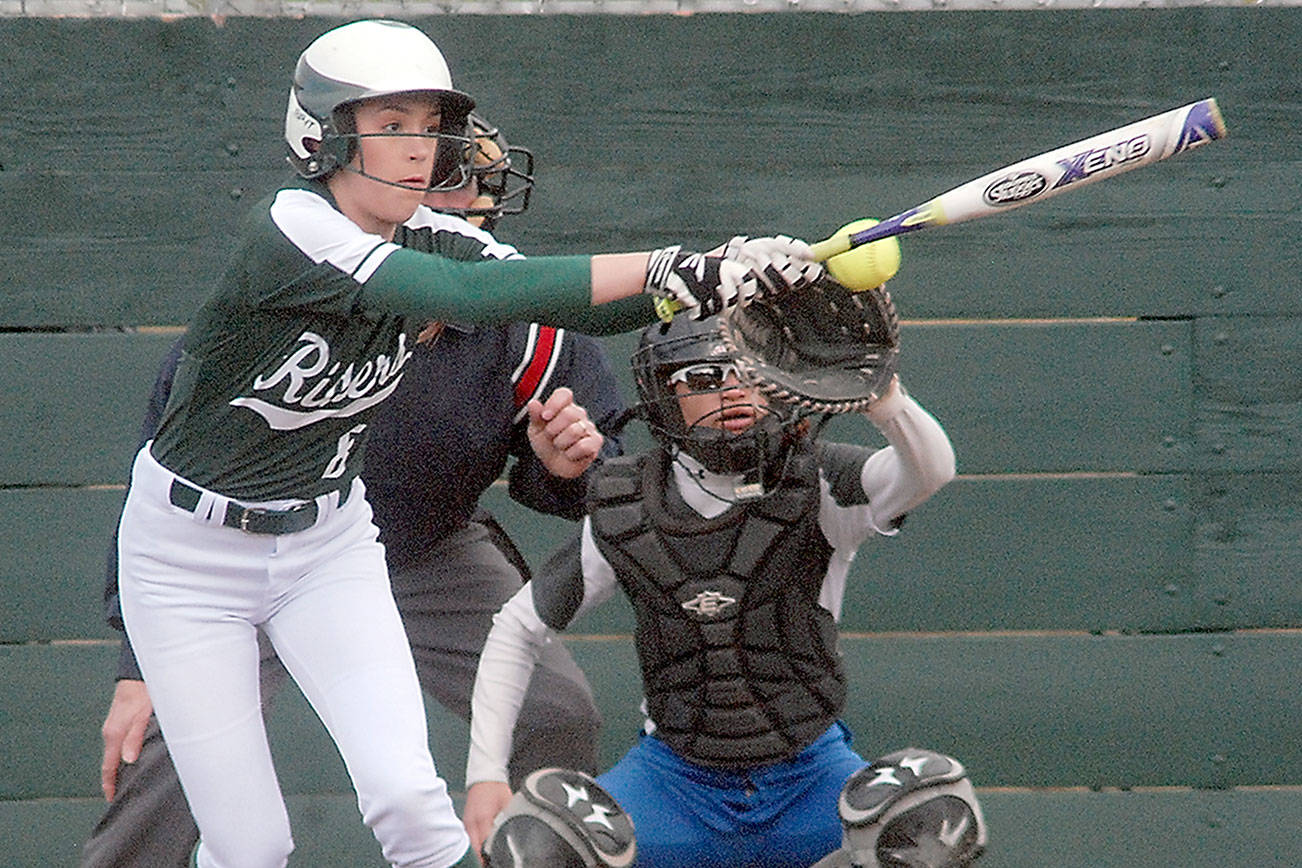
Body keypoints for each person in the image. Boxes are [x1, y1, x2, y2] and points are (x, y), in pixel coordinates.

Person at [111, 17, 822, 868]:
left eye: (428, 126)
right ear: (323, 136)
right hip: (189, 560)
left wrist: (715, 282)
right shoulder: (294, 228)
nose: (419, 148)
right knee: (251, 844)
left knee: (411, 803)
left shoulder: (438, 234)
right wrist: (671, 264)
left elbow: (558, 301)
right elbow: (457, 293)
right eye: (391, 125)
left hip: (327, 544)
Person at [81, 113, 616, 868]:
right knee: (164, 758)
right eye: (423, 167)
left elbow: (598, 463)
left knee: (556, 709)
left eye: (456, 174)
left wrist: (565, 467)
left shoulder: (529, 325)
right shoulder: (298, 279)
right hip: (237, 550)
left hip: (426, 549)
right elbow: (168, 465)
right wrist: (137, 660)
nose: (435, 188)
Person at [463, 300, 960, 868]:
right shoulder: (627, 504)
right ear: (663, 392)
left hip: (811, 778)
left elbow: (931, 471)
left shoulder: (819, 477)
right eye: (703, 377)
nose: (733, 390)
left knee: (931, 825)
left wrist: (883, 398)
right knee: (543, 849)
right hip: (673, 787)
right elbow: (518, 627)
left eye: (750, 371)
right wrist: (485, 774)